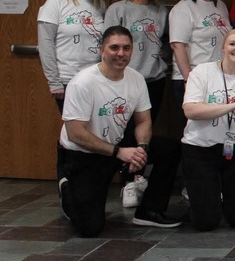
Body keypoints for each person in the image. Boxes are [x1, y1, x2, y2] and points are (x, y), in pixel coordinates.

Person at [57, 26, 182, 236]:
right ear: (101, 49)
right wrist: (119, 152)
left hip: (116, 145)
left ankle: (149, 211)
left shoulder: (136, 79)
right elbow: (75, 133)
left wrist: (141, 149)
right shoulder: (83, 83)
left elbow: (143, 121)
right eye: (114, 48)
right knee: (90, 228)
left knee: (170, 149)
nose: (121, 53)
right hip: (83, 153)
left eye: (126, 48)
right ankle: (66, 187)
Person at [181, 28, 235, 231]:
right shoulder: (202, 72)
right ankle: (202, 197)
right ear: (223, 48)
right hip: (201, 149)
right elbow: (190, 110)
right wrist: (234, 105)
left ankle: (218, 195)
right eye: (233, 44)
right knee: (206, 222)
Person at [38, 0, 107, 111]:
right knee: (76, 129)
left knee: (95, 127)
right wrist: (54, 82)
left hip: (95, 78)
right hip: (67, 80)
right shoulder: (56, 2)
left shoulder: (100, 5)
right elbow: (45, 45)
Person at [105, 0, 168, 124]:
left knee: (146, 127)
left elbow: (168, 41)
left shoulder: (161, 11)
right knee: (123, 127)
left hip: (154, 80)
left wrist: (165, 51)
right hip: (125, 78)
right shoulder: (117, 9)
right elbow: (107, 45)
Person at [169, 0, 231, 117]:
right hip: (191, 78)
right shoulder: (183, 8)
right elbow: (178, 46)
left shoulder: (221, 6)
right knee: (194, 130)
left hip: (217, 76)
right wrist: (189, 80)